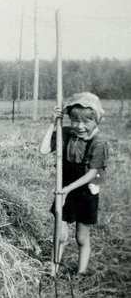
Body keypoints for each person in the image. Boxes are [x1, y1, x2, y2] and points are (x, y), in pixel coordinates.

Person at [39, 92, 109, 276]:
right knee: (60, 235)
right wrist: (53, 123)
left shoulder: (98, 143)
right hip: (64, 188)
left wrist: (65, 191)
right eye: (75, 121)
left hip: (85, 190)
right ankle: (53, 270)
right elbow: (44, 149)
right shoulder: (67, 133)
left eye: (86, 122)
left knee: (81, 236)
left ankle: (81, 273)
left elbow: (91, 174)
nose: (79, 126)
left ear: (96, 120)